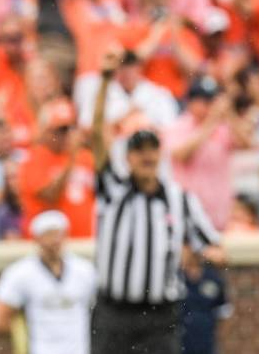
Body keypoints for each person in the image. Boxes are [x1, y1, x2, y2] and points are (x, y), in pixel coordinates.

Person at [90, 49, 224, 354]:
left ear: (160, 152)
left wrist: (199, 254)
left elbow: (216, 249)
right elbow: (98, 134)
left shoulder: (181, 200)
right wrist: (105, 81)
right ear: (128, 156)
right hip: (114, 312)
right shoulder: (113, 188)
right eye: (139, 149)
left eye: (152, 148)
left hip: (161, 315)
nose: (146, 155)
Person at [0, 211, 97, 354]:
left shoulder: (85, 271)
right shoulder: (20, 273)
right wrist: (21, 335)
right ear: (36, 239)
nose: (55, 240)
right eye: (49, 234)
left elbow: (101, 313)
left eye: (58, 234)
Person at [165, 77, 252, 230]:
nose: (210, 106)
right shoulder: (178, 126)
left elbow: (247, 144)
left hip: (220, 215)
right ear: (191, 102)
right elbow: (181, 155)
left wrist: (229, 113)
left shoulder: (223, 126)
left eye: (212, 101)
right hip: (188, 215)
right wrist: (211, 121)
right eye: (204, 101)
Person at [17, 98, 95, 237]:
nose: (66, 135)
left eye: (70, 128)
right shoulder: (34, 158)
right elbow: (50, 196)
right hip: (47, 247)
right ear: (45, 132)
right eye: (60, 130)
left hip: (86, 240)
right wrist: (72, 158)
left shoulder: (86, 157)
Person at [180, 247, 232, 354]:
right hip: (181, 339)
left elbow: (224, 311)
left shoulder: (212, 278)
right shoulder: (177, 278)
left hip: (206, 339)